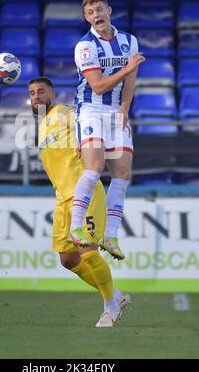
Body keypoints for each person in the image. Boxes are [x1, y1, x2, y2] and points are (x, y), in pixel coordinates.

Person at [28, 77, 131, 327]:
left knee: (88, 252)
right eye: (31, 93)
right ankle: (116, 296)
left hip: (84, 194)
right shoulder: (42, 126)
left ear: (52, 94)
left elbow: (85, 120)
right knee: (68, 259)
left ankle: (110, 307)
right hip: (63, 198)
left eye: (42, 91)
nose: (36, 96)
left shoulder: (65, 111)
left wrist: (82, 141)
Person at [69, 0, 145, 259]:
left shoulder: (128, 41)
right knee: (95, 167)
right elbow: (98, 85)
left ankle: (110, 236)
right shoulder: (85, 46)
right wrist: (127, 68)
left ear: (109, 10)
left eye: (99, 9)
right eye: (90, 12)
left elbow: (130, 81)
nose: (96, 15)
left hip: (116, 111)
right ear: (86, 18)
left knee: (122, 174)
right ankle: (75, 226)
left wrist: (125, 110)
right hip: (91, 110)